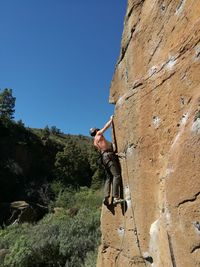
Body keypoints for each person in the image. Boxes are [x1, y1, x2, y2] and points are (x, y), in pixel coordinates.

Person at [90, 115, 124, 206]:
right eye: (97, 130)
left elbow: (103, 148)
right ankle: (116, 197)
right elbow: (105, 127)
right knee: (116, 175)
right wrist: (111, 119)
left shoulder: (94, 142)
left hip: (103, 158)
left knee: (109, 177)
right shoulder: (98, 134)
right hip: (108, 156)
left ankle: (106, 196)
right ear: (96, 131)